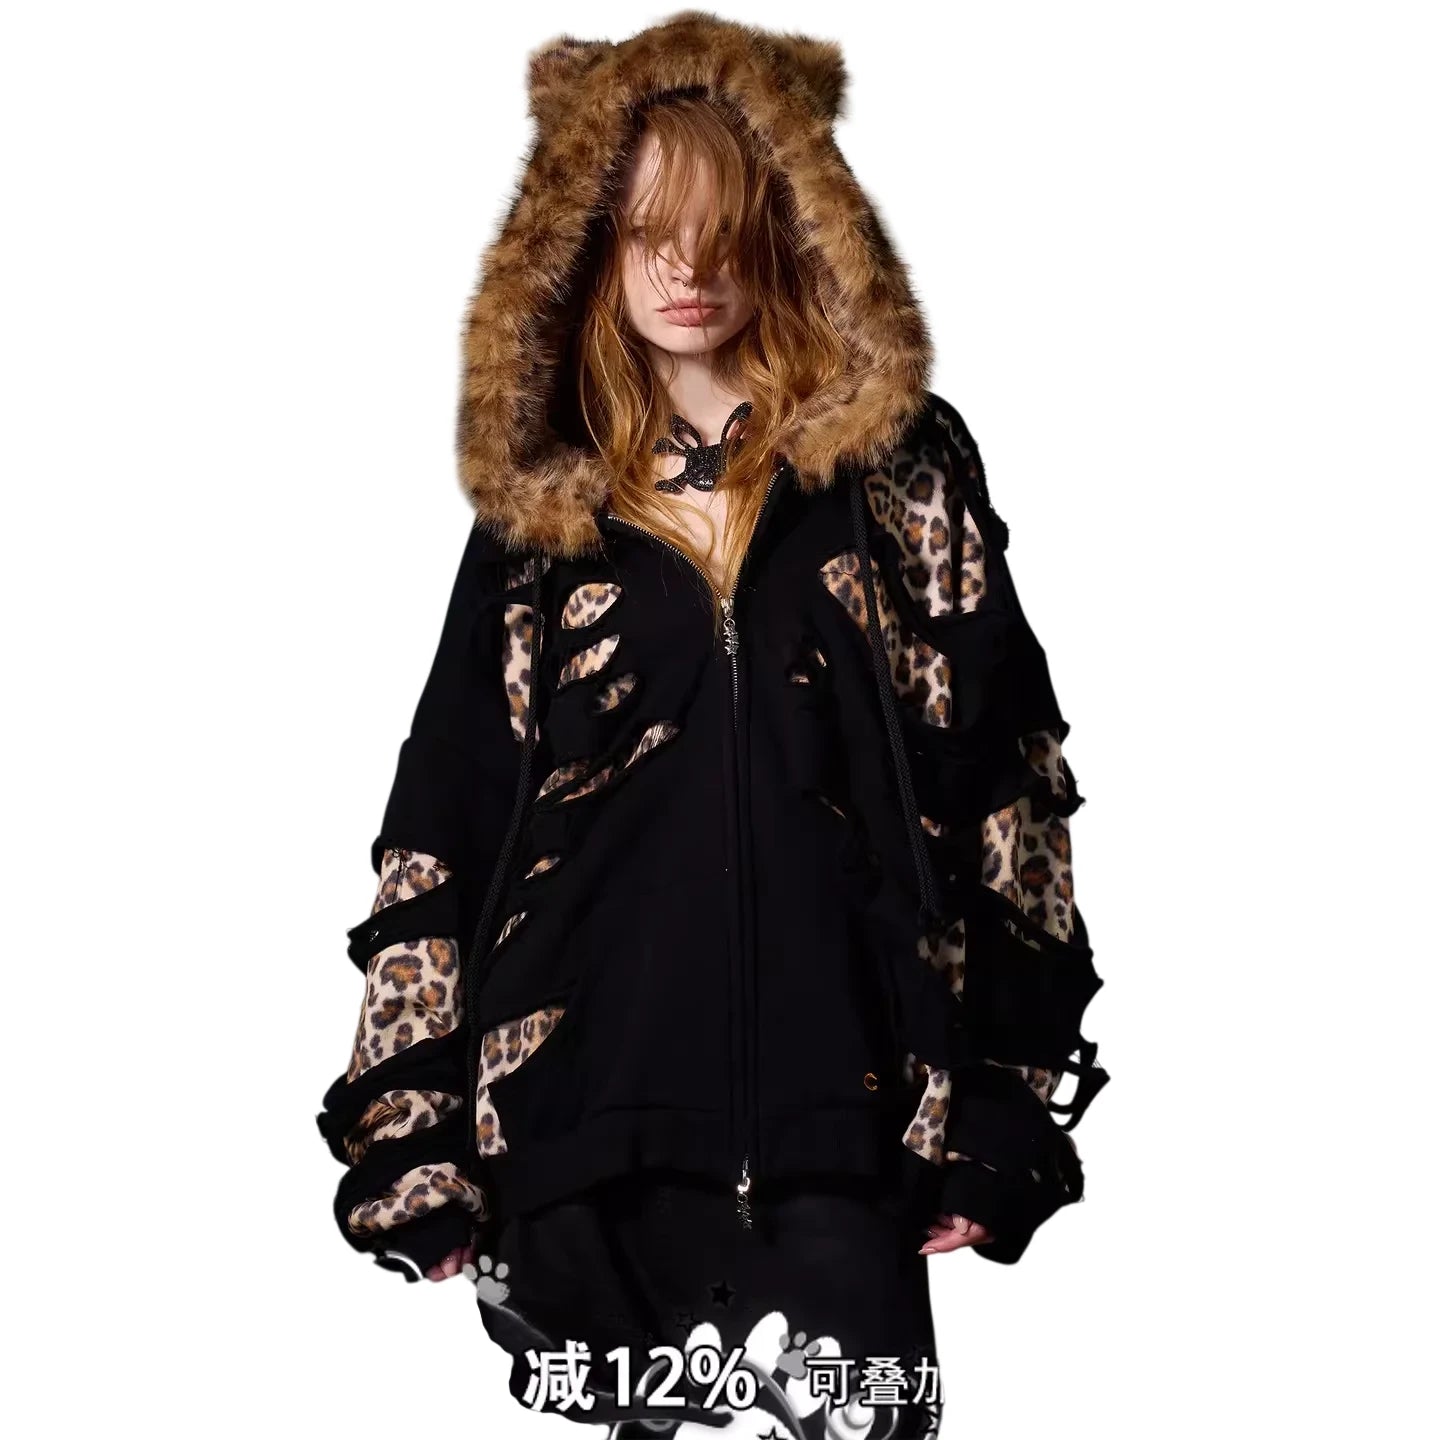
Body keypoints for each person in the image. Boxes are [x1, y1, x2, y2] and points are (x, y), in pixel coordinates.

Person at [317, 12, 1108, 1437]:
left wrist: (1000, 1099)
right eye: (647, 234)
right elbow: (447, 819)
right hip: (585, 1125)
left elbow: (1005, 784)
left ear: (793, 233)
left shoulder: (896, 473)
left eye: (723, 231)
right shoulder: (545, 510)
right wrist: (411, 1132)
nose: (687, 274)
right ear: (587, 243)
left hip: (846, 1118)